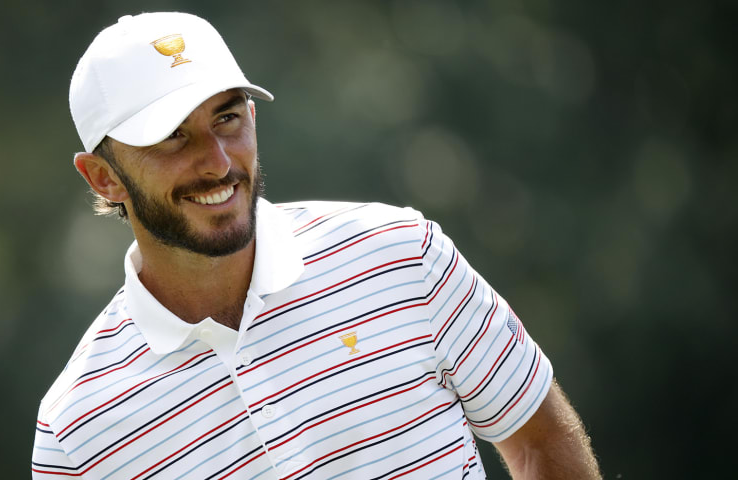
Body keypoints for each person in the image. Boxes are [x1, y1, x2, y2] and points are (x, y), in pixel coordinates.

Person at [32, 12, 600, 480]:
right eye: (172, 136)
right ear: (103, 178)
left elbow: (539, 443)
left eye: (227, 119)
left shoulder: (401, 254)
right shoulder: (75, 430)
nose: (219, 162)